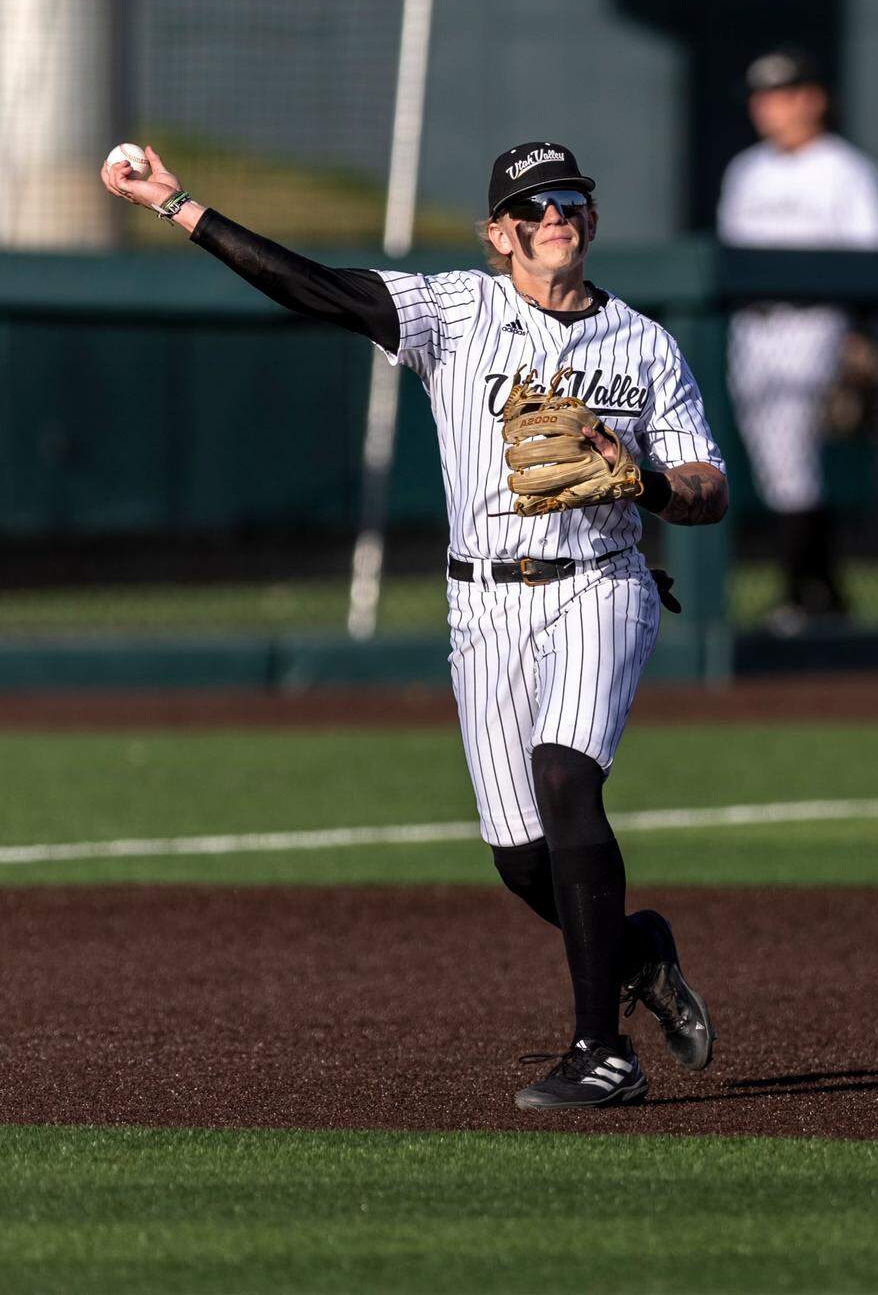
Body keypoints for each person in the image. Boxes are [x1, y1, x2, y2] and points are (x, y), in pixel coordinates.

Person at [101, 139, 728, 1112]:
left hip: (602, 583)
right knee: (524, 861)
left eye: (571, 201)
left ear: (592, 223)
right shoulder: (457, 311)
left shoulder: (645, 345)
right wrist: (178, 204)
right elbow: (317, 290)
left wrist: (641, 479)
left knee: (567, 778)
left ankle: (601, 1048)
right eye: (534, 206)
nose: (556, 215)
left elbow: (707, 488)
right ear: (498, 234)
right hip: (483, 601)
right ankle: (639, 950)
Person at [717, 46, 878, 634]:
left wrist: (860, 336)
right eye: (762, 97)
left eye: (782, 95)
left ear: (812, 99)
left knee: (793, 462)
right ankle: (825, 594)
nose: (769, 108)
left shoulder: (846, 170)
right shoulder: (747, 171)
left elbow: (872, 260)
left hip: (815, 324)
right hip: (754, 329)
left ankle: (802, 593)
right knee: (776, 466)